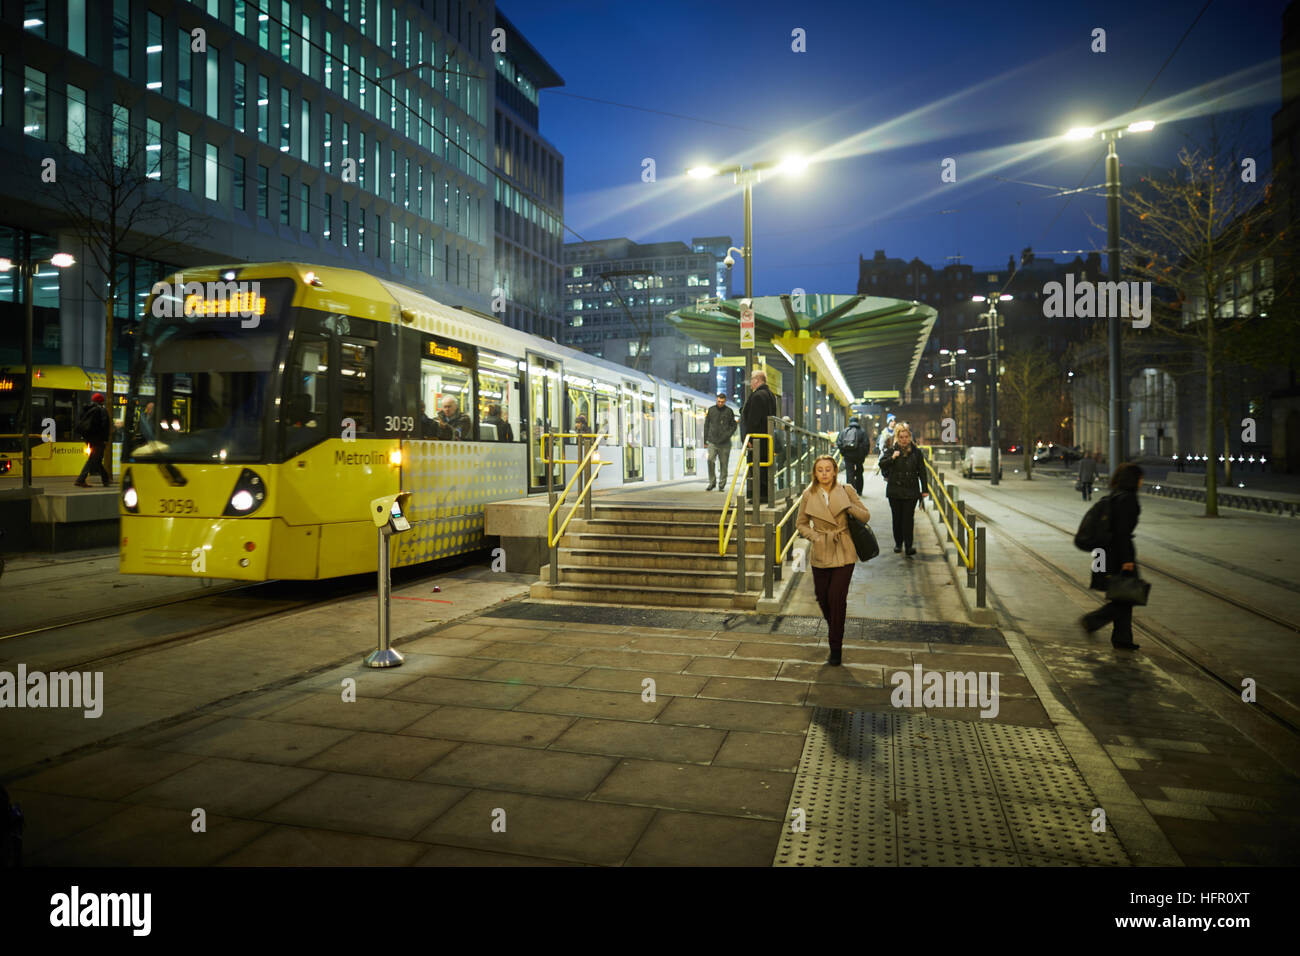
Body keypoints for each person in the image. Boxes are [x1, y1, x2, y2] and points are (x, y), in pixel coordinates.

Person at [795, 454, 871, 667]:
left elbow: (865, 516)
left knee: (836, 599)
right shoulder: (808, 494)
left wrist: (848, 507)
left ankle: (835, 647)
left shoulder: (846, 490)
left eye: (828, 469)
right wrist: (815, 537)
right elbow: (800, 523)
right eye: (820, 470)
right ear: (815, 473)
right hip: (821, 550)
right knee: (822, 597)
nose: (824, 473)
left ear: (835, 471)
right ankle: (835, 627)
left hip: (844, 550)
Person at [1081, 463, 1144, 650]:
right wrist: (1127, 561)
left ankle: (1122, 639)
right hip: (1118, 554)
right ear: (1133, 480)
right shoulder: (1128, 499)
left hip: (1105, 553)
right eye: (1140, 478)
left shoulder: (1114, 496)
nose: (1142, 481)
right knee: (1127, 597)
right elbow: (1122, 533)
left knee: (1122, 596)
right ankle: (1092, 621)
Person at [877, 423, 928, 555]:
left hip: (911, 491)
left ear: (910, 437)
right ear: (897, 438)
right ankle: (898, 544)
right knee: (897, 519)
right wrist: (892, 457)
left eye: (906, 437)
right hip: (895, 491)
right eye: (901, 437)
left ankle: (909, 546)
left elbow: (922, 471)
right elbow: (881, 464)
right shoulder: (892, 450)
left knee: (908, 519)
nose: (904, 440)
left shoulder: (916, 452)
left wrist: (925, 489)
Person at [740, 369, 778, 504]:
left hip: (757, 439)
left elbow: (753, 420)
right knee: (765, 467)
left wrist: (749, 438)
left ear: (757, 380)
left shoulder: (757, 396)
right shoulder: (770, 395)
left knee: (757, 467)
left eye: (751, 380)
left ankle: (760, 496)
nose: (750, 383)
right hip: (767, 438)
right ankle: (766, 494)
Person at [75, 393, 113, 487]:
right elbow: (105, 426)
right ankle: (80, 479)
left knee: (97, 459)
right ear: (101, 401)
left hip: (88, 438)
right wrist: (105, 439)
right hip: (98, 439)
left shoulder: (87, 409)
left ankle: (106, 479)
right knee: (93, 458)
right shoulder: (102, 410)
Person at [703, 393, 736, 491]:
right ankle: (712, 482)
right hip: (712, 441)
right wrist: (705, 440)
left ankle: (721, 485)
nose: (720, 403)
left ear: (725, 401)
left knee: (724, 464)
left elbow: (733, 426)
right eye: (718, 401)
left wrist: (727, 435)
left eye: (722, 402)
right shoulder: (711, 410)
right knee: (710, 460)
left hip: (725, 443)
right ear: (716, 400)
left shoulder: (729, 411)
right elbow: (706, 425)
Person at [837, 415, 870, 494]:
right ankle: (859, 491)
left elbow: (839, 442)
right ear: (857, 422)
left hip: (848, 456)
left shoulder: (845, 431)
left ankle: (850, 492)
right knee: (859, 473)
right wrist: (863, 455)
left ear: (850, 422)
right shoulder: (862, 431)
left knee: (849, 473)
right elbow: (867, 444)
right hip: (859, 456)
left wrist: (844, 453)